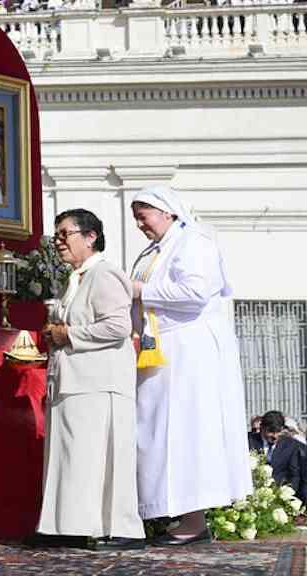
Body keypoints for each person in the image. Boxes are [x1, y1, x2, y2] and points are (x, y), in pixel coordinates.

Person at [130, 185, 252, 545]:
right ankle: (174, 514)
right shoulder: (159, 248)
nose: (139, 224)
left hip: (189, 353)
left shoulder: (193, 242)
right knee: (160, 434)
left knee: (187, 435)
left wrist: (140, 291)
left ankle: (194, 522)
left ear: (167, 212)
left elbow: (195, 293)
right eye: (136, 217)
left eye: (144, 216)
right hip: (164, 351)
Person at [36, 209, 144, 550]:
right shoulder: (76, 278)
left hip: (100, 382)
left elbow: (117, 327)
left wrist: (67, 333)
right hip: (74, 381)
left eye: (64, 234)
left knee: (103, 458)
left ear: (90, 236)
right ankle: (69, 526)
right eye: (56, 236)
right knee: (75, 458)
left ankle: (122, 530)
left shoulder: (105, 273)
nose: (59, 243)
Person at [259, 411, 307, 501]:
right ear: (262, 428)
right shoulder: (249, 443)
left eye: (278, 431)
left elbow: (294, 475)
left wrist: (287, 496)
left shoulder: (290, 445)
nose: (275, 436)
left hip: (279, 498)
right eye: (271, 432)